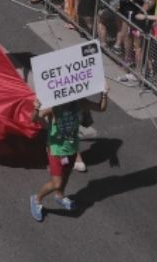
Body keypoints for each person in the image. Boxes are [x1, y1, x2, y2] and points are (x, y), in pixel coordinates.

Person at [30, 90, 108, 222]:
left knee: (66, 175)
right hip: (56, 149)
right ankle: (36, 199)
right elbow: (34, 118)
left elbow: (101, 108)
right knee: (57, 182)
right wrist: (36, 108)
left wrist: (104, 94)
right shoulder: (53, 106)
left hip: (72, 148)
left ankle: (59, 196)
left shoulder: (80, 103)